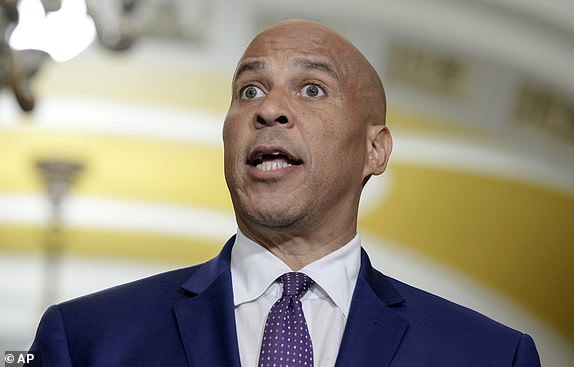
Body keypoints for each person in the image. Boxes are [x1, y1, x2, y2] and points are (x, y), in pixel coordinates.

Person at [29, 19, 541, 366]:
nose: (268, 109)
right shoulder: (85, 340)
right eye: (249, 91)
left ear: (375, 150)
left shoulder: (489, 355)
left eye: (312, 89)